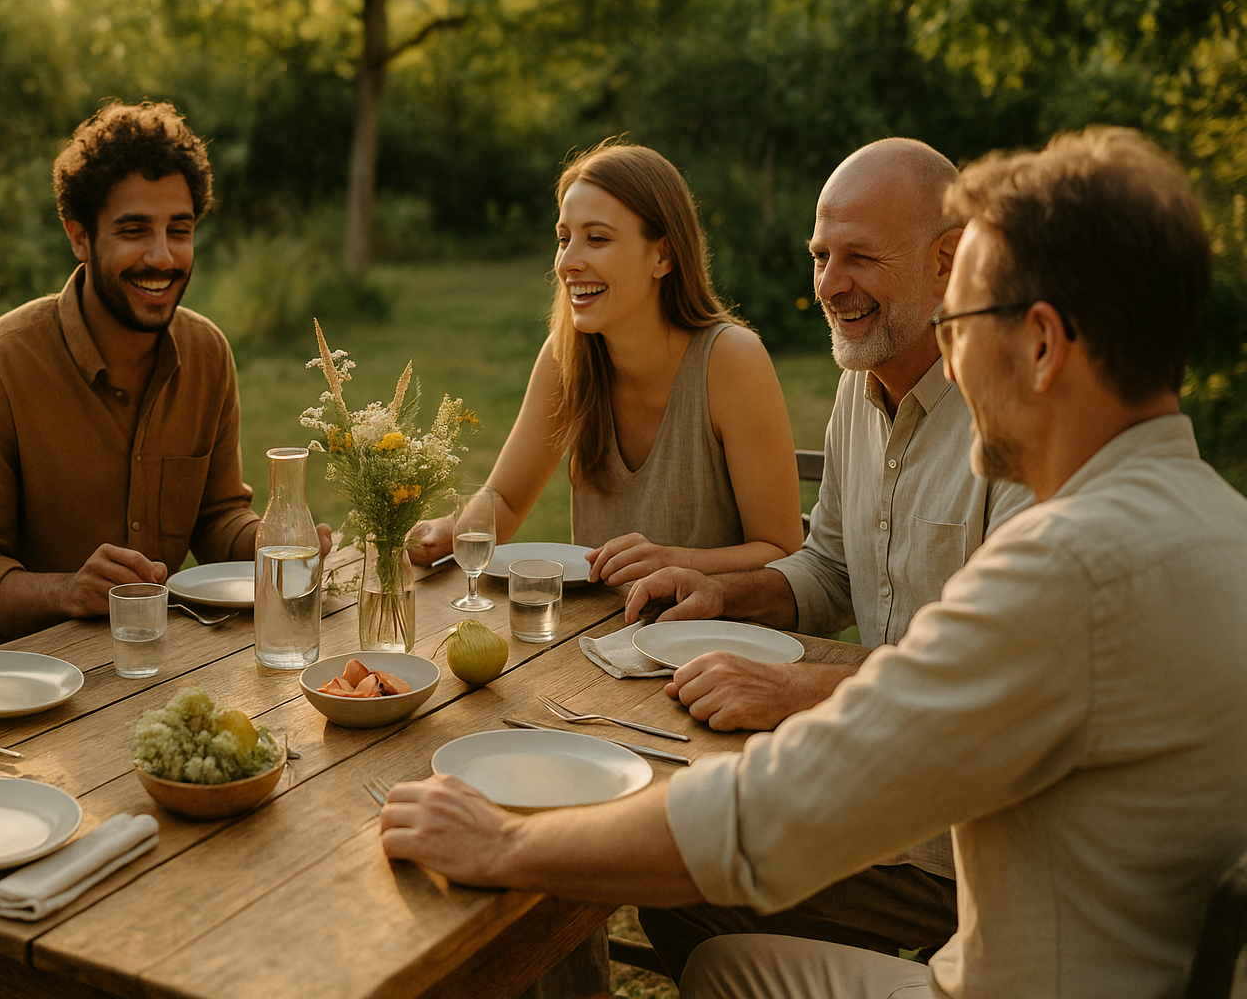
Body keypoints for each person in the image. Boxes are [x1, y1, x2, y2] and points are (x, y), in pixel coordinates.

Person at [377, 126, 1247, 997]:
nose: (955, 353)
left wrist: (507, 843)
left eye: (966, 323)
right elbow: (828, 566)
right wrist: (722, 587)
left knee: (696, 909)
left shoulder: (1069, 565)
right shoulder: (1219, 522)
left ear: (1044, 343)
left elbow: (773, 818)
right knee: (728, 959)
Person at [620, 138, 1033, 976]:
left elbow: (1009, 686)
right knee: (667, 828)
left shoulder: (1018, 416)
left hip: (963, 835)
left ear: (947, 261)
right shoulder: (863, 379)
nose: (830, 286)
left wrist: (800, 690)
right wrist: (720, 590)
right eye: (820, 256)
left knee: (682, 879)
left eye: (860, 259)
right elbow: (831, 570)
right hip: (865, 769)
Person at [0, 100, 328, 647]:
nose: (162, 257)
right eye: (134, 231)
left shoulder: (207, 354)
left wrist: (279, 543)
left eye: (179, 229)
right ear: (79, 236)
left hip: (164, 662)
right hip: (30, 688)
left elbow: (217, 517)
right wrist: (67, 591)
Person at [408, 141, 803, 586]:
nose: (567, 263)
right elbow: (506, 499)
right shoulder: (567, 355)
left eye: (596, 238)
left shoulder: (731, 360)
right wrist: (452, 531)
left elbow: (783, 553)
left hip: (714, 643)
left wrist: (673, 562)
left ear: (663, 256)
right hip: (599, 638)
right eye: (563, 239)